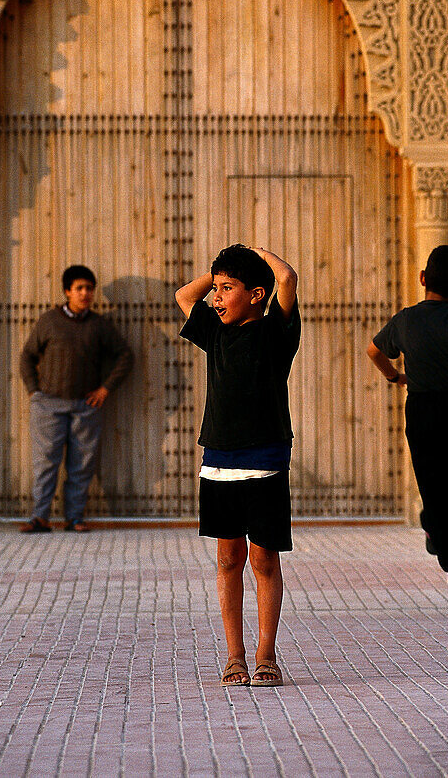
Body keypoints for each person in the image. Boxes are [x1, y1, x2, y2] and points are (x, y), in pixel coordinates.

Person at [176, 244, 300, 687]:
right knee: (229, 558)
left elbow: (287, 279)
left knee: (263, 559)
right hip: (218, 461)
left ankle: (267, 654)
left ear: (257, 294)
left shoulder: (276, 333)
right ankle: (235, 656)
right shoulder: (213, 330)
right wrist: (218, 274)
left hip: (266, 460)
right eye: (217, 289)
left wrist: (255, 253)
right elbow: (182, 296)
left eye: (228, 289)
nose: (216, 297)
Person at [367, 245, 448, 616]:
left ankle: (431, 523)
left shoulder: (404, 320)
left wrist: (395, 377)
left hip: (421, 411)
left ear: (423, 279)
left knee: (442, 501)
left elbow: (374, 351)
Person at [19, 264, 133, 533]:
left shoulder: (99, 325)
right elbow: (27, 356)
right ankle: (40, 517)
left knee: (81, 464)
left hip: (85, 406)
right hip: (48, 404)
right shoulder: (49, 321)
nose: (85, 293)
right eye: (79, 288)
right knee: (46, 461)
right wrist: (34, 391)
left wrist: (105, 389)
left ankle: (74, 518)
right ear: (67, 291)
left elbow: (125, 356)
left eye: (89, 289)